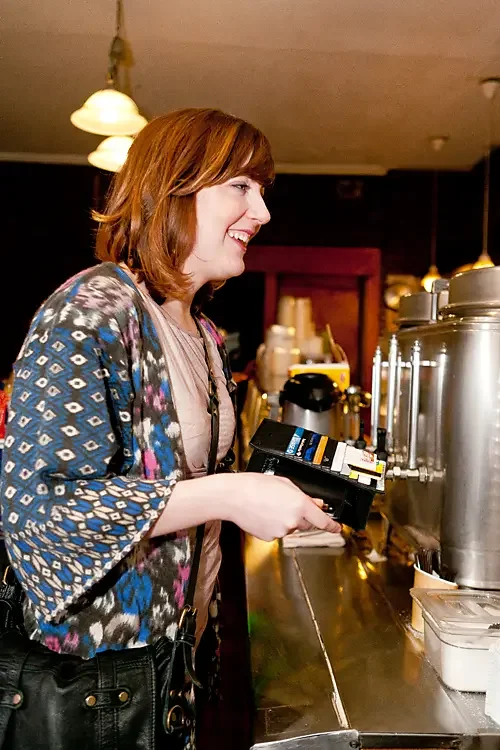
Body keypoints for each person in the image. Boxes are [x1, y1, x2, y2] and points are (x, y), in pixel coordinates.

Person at [0, 108, 341, 746]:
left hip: (176, 661)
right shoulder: (92, 310)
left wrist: (282, 491)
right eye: (240, 187)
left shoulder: (203, 333)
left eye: (260, 191)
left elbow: (185, 478)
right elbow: (41, 512)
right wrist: (232, 495)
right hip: (96, 682)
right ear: (173, 189)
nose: (262, 213)